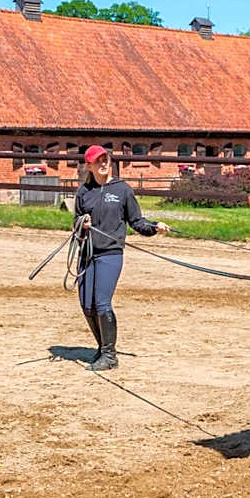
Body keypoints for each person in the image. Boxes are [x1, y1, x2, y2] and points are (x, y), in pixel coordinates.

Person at [74, 145, 170, 371]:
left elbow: (136, 220)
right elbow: (76, 222)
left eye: (105, 159)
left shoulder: (122, 190)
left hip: (110, 253)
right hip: (87, 253)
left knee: (102, 302)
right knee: (87, 305)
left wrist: (154, 227)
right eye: (98, 161)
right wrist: (82, 224)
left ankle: (110, 356)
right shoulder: (83, 192)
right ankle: (102, 348)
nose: (103, 163)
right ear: (89, 165)